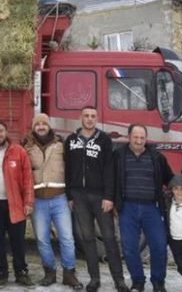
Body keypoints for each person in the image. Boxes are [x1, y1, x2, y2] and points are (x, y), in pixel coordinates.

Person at [65, 106, 128, 292]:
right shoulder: (71, 140)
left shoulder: (104, 140)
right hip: (79, 196)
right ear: (80, 118)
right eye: (86, 116)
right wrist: (70, 195)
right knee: (87, 238)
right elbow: (67, 169)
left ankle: (119, 280)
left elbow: (110, 170)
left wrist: (109, 196)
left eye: (93, 116)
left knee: (109, 238)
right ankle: (94, 279)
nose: (89, 119)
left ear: (97, 118)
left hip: (100, 196)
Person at [21, 113, 82, 290]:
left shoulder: (61, 144)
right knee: (42, 239)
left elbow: (71, 169)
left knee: (67, 238)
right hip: (38, 200)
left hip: (59, 198)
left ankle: (69, 273)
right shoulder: (26, 147)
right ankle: (49, 272)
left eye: (44, 123)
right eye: (37, 124)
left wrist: (72, 195)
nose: (41, 126)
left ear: (49, 126)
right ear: (33, 127)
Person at [113, 124, 174, 292]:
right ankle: (138, 281)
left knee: (159, 246)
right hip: (127, 208)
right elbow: (111, 179)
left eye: (142, 138)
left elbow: (170, 179)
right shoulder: (118, 155)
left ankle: (158, 281)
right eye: (135, 137)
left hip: (151, 208)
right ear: (129, 137)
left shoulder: (156, 157)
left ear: (146, 139)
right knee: (130, 248)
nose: (139, 141)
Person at [0, 120, 34, 287]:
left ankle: (21, 273)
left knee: (17, 240)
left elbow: (27, 179)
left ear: (6, 132)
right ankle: (2, 272)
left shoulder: (18, 151)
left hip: (15, 203)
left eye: (1, 131)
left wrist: (28, 202)